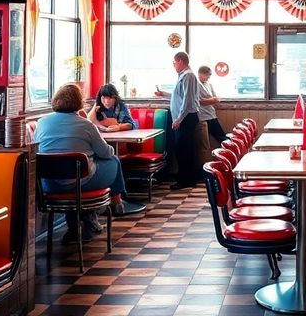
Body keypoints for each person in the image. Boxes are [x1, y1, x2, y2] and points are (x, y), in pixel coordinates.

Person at [34, 84, 141, 244]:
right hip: (79, 183)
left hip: (48, 185)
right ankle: (115, 204)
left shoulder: (42, 122)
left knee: (73, 174)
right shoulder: (85, 125)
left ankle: (79, 225)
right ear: (79, 102)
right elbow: (107, 152)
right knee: (112, 161)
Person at [155, 52, 201, 188]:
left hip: (186, 118)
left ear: (180, 61)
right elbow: (178, 97)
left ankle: (186, 180)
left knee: (184, 149)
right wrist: (163, 94)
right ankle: (186, 178)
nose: (173, 65)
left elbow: (187, 101)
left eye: (174, 62)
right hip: (183, 118)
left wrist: (179, 119)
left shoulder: (188, 76)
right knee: (182, 148)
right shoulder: (183, 76)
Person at [197, 66, 226, 144]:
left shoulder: (208, 84)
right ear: (201, 74)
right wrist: (212, 100)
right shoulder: (196, 84)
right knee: (204, 142)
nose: (208, 77)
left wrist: (213, 100)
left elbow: (216, 98)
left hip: (211, 114)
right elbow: (199, 101)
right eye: (207, 75)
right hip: (202, 116)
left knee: (222, 137)